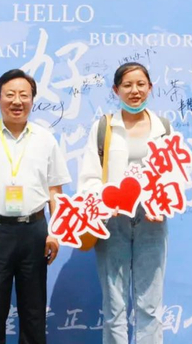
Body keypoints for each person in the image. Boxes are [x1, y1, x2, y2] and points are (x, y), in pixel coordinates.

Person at [0, 68, 72, 344]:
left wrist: (55, 232)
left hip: (35, 231)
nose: (17, 101)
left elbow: (55, 190)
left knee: (34, 313)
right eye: (10, 95)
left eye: (24, 95)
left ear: (32, 99)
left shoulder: (45, 139)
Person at [78, 62, 171, 344]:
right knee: (114, 304)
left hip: (151, 222)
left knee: (149, 305)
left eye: (141, 84)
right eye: (127, 85)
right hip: (112, 221)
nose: (135, 91)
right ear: (116, 90)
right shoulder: (104, 127)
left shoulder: (163, 127)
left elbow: (172, 176)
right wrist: (107, 201)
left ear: (150, 88)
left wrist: (161, 203)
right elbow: (90, 176)